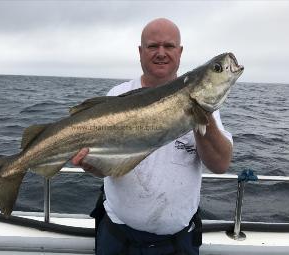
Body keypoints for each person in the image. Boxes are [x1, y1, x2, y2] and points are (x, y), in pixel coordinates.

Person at [72, 18, 233, 255]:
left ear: (180, 52)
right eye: (152, 46)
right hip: (118, 237)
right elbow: (107, 168)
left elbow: (220, 164)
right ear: (140, 52)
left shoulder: (208, 111)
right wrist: (93, 166)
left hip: (179, 242)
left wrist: (201, 113)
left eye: (168, 46)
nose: (161, 53)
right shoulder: (118, 96)